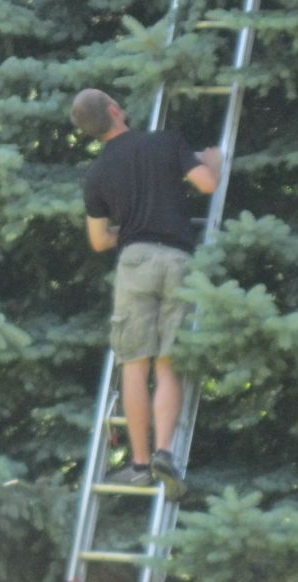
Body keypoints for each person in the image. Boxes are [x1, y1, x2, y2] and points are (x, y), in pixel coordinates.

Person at [71, 89, 222, 500]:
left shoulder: (97, 174)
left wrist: (128, 227)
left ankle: (139, 465)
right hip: (177, 260)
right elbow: (206, 184)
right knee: (168, 363)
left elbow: (99, 241)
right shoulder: (165, 142)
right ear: (115, 110)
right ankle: (164, 453)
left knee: (134, 365)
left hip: (135, 262)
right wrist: (213, 161)